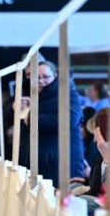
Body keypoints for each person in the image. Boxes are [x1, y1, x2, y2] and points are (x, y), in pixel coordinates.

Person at [17, 59, 86, 188]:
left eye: (45, 77)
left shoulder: (68, 94)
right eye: (36, 77)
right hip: (37, 161)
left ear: (55, 75)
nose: (41, 81)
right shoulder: (29, 93)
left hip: (59, 163)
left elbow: (68, 121)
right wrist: (16, 108)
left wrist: (32, 118)